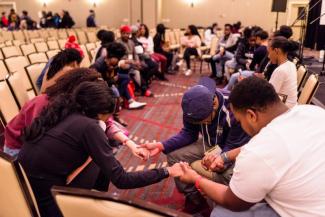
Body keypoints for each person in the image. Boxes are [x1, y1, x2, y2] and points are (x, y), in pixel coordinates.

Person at [18, 81, 184, 217]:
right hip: (50, 199)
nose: (110, 119)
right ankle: (93, 206)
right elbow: (122, 179)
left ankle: (94, 200)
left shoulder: (63, 109)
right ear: (99, 112)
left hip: (23, 187)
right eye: (110, 114)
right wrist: (167, 171)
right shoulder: (89, 126)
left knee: (100, 158)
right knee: (102, 162)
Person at [178, 76, 325, 217]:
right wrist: (225, 156)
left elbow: (232, 201)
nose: (241, 125)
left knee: (220, 213)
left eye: (240, 121)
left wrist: (196, 179)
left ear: (251, 116)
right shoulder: (312, 111)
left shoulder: (258, 150)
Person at [141, 77, 250, 214]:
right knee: (175, 156)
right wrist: (162, 145)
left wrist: (219, 159)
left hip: (234, 148)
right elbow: (189, 133)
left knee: (224, 173)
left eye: (202, 121)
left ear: (214, 105)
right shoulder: (192, 103)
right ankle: (195, 200)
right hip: (210, 143)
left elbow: (233, 144)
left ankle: (224, 205)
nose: (199, 124)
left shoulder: (234, 109)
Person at [91, 42, 147, 109]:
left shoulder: (113, 61)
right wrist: (112, 80)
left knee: (126, 78)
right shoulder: (97, 66)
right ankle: (122, 101)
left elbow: (116, 72)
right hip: (102, 85)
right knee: (118, 88)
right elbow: (97, 83)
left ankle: (129, 101)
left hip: (109, 81)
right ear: (112, 57)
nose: (118, 61)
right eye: (118, 59)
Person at [268, 36, 297, 108]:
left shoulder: (280, 70)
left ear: (276, 51)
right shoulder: (291, 64)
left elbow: (268, 96)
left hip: (284, 110)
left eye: (269, 52)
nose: (268, 56)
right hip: (291, 107)